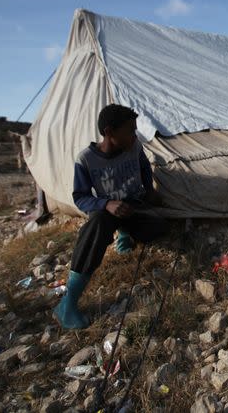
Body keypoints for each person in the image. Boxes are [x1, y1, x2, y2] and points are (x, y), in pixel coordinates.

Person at [54, 104, 168, 329]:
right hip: (110, 212)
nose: (134, 136)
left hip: (134, 208)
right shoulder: (86, 159)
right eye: (130, 131)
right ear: (109, 132)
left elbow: (144, 167)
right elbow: (81, 197)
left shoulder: (134, 147)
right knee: (96, 225)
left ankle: (125, 233)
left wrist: (150, 191)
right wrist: (106, 204)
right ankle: (68, 304)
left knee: (160, 227)